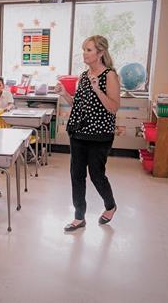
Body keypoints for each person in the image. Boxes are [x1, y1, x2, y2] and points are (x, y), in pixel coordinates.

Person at [55, 35, 119, 232]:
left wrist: (96, 89)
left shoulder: (109, 75)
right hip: (79, 132)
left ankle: (110, 205)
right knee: (76, 174)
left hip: (100, 134)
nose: (85, 53)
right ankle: (79, 216)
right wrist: (64, 93)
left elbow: (113, 107)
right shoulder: (83, 76)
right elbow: (79, 104)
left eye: (89, 50)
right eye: (84, 49)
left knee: (97, 175)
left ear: (100, 53)